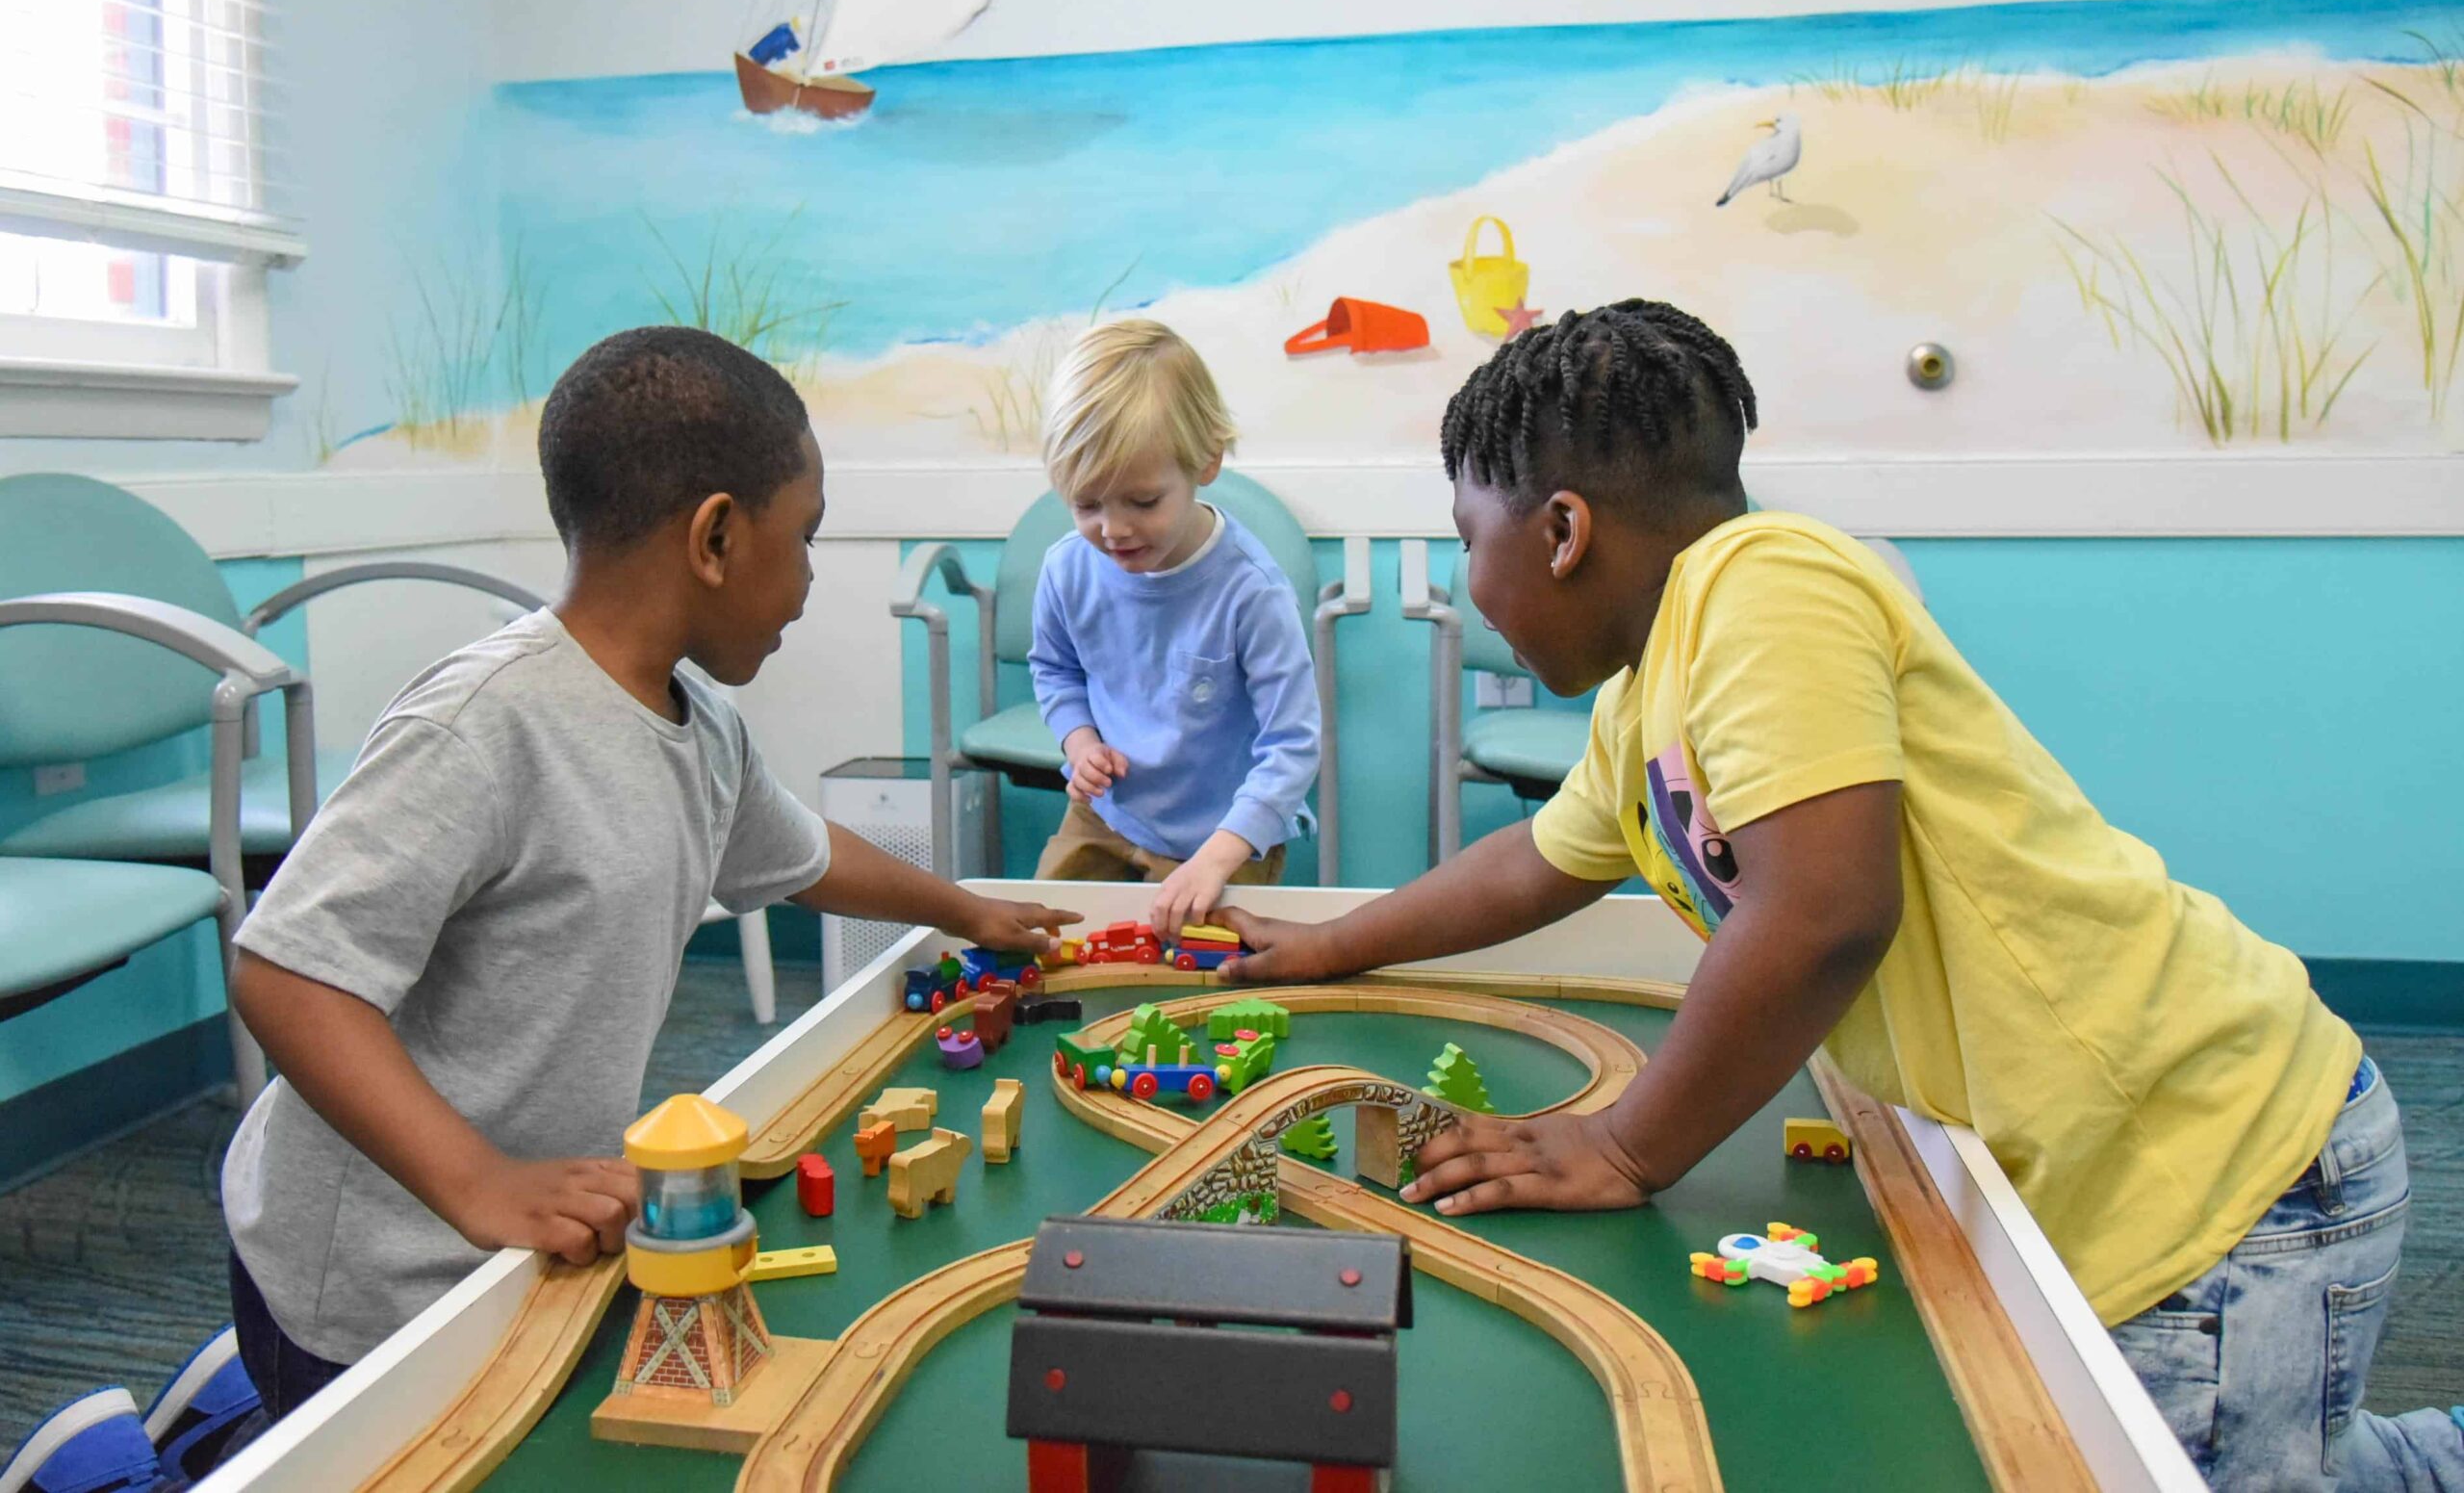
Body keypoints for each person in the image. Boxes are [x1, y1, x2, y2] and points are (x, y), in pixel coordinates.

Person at [1217, 300, 2463, 1489]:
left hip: (2209, 1168)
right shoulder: (1644, 694)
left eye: (1464, 536)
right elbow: (1538, 859)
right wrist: (1334, 943)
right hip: (2101, 1175)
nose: (1467, 576)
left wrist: (1625, 1139)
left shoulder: (1763, 584)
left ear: (1560, 530)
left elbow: (1823, 913)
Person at [221, 326, 1075, 1417]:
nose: (810, 580)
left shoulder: (701, 725)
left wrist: (968, 909)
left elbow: (805, 855)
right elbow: (288, 975)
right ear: (716, 535)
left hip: (515, 1242)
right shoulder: (483, 724)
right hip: (358, 1281)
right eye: (805, 538)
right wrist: (482, 1182)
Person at [1029, 319, 1320, 940]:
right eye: (1086, 504)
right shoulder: (1066, 569)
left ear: (1206, 461)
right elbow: (1055, 670)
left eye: (1141, 502)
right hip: (1104, 818)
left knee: (1210, 993)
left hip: (1225, 838)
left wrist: (1217, 859)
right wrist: (1079, 743)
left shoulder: (1252, 592)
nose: (1113, 530)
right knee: (1052, 947)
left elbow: (1292, 744)